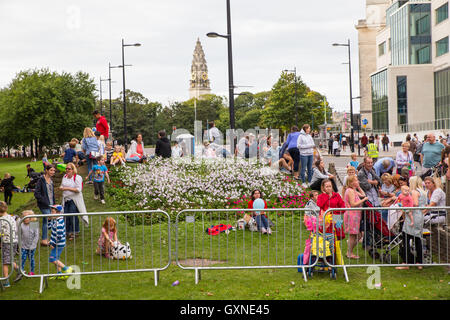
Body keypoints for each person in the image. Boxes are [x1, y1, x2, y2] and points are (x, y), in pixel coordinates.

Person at [396, 177, 426, 270]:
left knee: (406, 239)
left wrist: (405, 207)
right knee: (417, 239)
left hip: (413, 215)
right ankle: (419, 262)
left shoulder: (414, 192)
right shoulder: (423, 192)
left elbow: (415, 203)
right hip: (420, 216)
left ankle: (406, 262)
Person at [60, 163, 87, 240]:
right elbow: (62, 185)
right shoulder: (64, 177)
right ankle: (68, 231)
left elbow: (78, 189)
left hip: (74, 199)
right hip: (66, 199)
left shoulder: (77, 177)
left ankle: (75, 232)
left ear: (73, 169)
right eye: (66, 169)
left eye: (69, 169)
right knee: (66, 215)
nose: (67, 170)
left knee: (73, 215)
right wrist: (62, 188)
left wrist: (66, 188)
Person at [344, 176, 368, 259]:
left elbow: (363, 195)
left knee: (359, 235)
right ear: (351, 183)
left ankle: (349, 250)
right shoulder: (350, 191)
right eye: (356, 180)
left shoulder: (353, 190)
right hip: (352, 215)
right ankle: (349, 252)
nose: (358, 181)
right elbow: (353, 204)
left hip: (356, 215)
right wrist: (363, 200)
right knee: (353, 235)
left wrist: (358, 187)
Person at [47, 205, 73, 278]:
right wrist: (49, 220)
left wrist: (53, 243)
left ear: (58, 213)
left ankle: (67, 268)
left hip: (58, 244)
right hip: (56, 243)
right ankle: (59, 273)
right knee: (56, 259)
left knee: (52, 259)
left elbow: (59, 235)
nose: (51, 213)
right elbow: (49, 228)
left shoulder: (59, 222)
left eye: (52, 212)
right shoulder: (56, 220)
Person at [34, 165, 56, 246]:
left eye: (54, 170)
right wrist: (44, 201)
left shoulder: (51, 180)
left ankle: (47, 238)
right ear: (46, 170)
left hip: (51, 204)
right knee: (46, 220)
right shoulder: (41, 180)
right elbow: (37, 193)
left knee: (48, 220)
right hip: (44, 205)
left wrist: (53, 206)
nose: (53, 172)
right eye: (51, 170)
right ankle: (44, 240)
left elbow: (52, 194)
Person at [0, 201, 19, 287]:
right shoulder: (11, 217)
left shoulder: (2, 220)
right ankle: (19, 271)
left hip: (7, 242)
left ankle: (6, 281)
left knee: (5, 262)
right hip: (14, 241)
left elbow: (1, 232)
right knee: (10, 259)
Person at [17, 210, 39, 280]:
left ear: (31, 218)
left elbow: (36, 236)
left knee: (31, 258)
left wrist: (33, 244)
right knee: (22, 258)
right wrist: (19, 243)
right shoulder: (21, 225)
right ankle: (21, 271)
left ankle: (32, 271)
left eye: (27, 217)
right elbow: (19, 234)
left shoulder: (34, 224)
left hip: (32, 246)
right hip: (23, 246)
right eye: (23, 217)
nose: (25, 219)